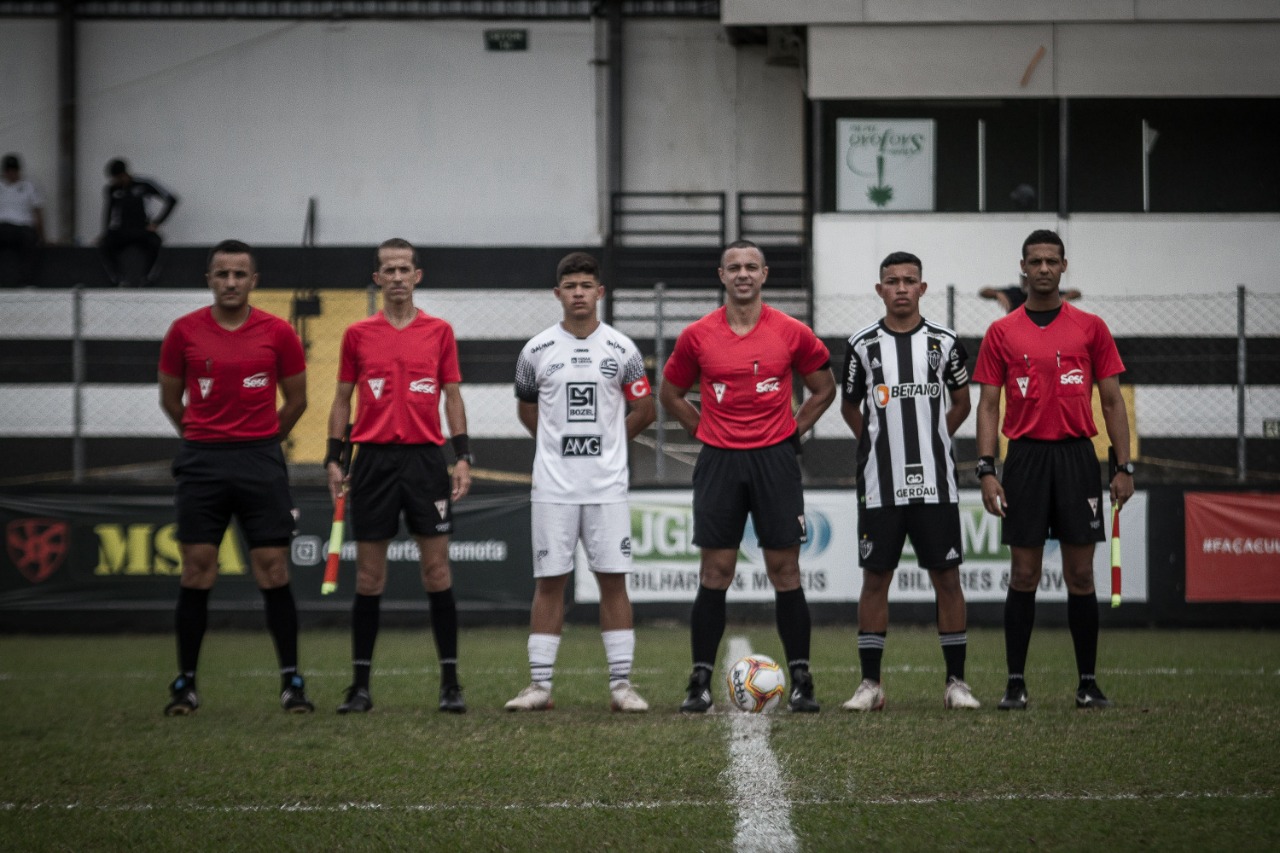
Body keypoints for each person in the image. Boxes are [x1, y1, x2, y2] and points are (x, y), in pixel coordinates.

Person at [660, 239, 836, 713]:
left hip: (774, 461)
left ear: (764, 274)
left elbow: (824, 387)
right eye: (734, 267)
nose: (743, 274)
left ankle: (801, 678)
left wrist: (790, 431)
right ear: (721, 275)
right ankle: (698, 681)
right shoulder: (698, 335)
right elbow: (671, 392)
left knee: (786, 571)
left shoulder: (791, 331)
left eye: (751, 267)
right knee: (715, 572)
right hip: (720, 462)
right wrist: (706, 431)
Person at [973, 229, 1134, 711]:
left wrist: (1123, 466)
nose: (1043, 268)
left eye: (1051, 261)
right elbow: (986, 406)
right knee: (1023, 575)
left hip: (1076, 458)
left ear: (1064, 267)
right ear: (1022, 267)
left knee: (1080, 576)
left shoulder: (1091, 328)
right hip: (1023, 459)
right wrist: (986, 469)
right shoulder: (1002, 332)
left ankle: (1087, 683)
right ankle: (1015, 684)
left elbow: (1111, 401)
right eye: (1035, 261)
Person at [158, 239, 312, 715]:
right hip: (202, 462)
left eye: (239, 275)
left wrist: (262, 439)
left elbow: (297, 400)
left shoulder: (278, 332)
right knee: (198, 566)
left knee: (273, 568)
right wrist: (203, 437)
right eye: (221, 274)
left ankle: (292, 683)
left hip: (259, 461)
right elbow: (170, 400)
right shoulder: (183, 331)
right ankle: (185, 684)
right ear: (209, 279)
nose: (230, 282)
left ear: (253, 281)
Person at [504, 252, 657, 713]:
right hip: (553, 487)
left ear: (599, 292)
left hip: (606, 487)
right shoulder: (535, 352)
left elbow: (645, 411)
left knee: (613, 581)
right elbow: (527, 409)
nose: (578, 293)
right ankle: (540, 687)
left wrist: (610, 442)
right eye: (570, 286)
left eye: (586, 285)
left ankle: (621, 687)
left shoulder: (623, 351)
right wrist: (555, 444)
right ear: (558, 294)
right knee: (550, 581)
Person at [326, 238, 472, 714]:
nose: (396, 277)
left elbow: (452, 397)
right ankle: (360, 687)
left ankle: (450, 684)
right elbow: (342, 398)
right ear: (377, 278)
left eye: (403, 269)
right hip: (372, 462)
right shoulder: (357, 334)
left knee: (436, 571)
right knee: (369, 577)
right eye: (387, 270)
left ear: (417, 276)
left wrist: (462, 455)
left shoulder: (440, 331)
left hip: (426, 461)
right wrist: (334, 457)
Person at [839, 251, 980, 712]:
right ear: (879, 290)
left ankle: (956, 683)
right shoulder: (861, 344)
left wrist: (934, 436)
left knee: (947, 578)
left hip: (936, 485)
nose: (901, 288)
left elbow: (962, 402)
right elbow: (849, 406)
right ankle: (870, 685)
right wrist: (878, 444)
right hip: (881, 485)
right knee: (875, 578)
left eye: (909, 281)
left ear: (922, 288)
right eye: (892, 281)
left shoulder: (945, 342)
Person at [99, 157, 178, 286]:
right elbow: (108, 211)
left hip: (142, 228)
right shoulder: (112, 190)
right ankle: (117, 278)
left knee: (156, 242)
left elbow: (172, 199)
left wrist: (157, 222)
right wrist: (105, 231)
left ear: (125, 174)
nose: (117, 181)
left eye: (119, 178)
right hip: (121, 230)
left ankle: (147, 278)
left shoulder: (144, 186)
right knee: (105, 244)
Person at [0, 153, 45, 286]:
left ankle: (27, 281)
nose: (12, 174)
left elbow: (38, 211)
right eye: (9, 171)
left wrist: (42, 235)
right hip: (3, 226)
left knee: (30, 242)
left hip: (23, 227)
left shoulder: (29, 186)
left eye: (14, 171)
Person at [980, 278, 1082, 314]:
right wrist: (997, 293)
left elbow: (1077, 293)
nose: (1026, 283)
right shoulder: (1013, 292)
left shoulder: (1048, 292)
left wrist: (1066, 297)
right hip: (1016, 327)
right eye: (1024, 280)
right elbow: (983, 292)